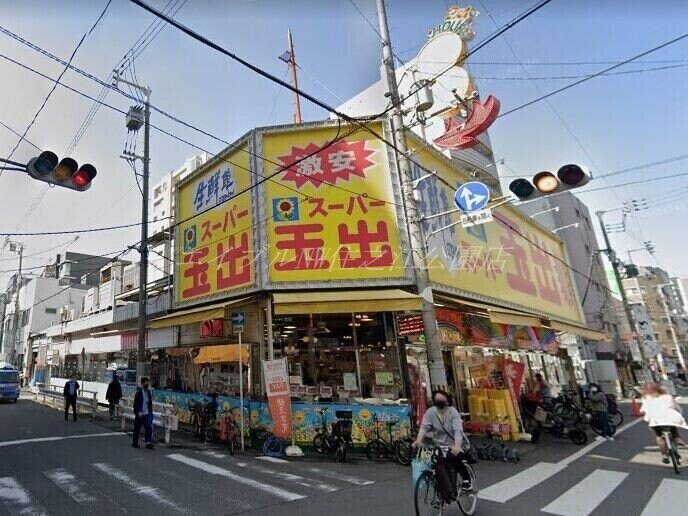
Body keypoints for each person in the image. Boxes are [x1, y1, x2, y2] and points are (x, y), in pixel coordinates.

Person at [412, 390, 471, 499]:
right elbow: (424, 427)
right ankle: (444, 491)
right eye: (437, 399)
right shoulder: (431, 412)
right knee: (437, 464)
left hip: (455, 444)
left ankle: (466, 478)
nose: (440, 401)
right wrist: (418, 440)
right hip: (439, 445)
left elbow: (458, 431)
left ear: (447, 401)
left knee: (454, 457)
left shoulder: (453, 412)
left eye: (442, 399)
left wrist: (457, 446)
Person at [640, 382, 688, 464]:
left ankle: (664, 456)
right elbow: (675, 407)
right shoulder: (667, 396)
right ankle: (678, 439)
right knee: (673, 427)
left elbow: (642, 410)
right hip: (670, 418)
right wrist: (679, 412)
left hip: (656, 421)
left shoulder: (645, 398)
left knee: (659, 437)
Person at [132, 377, 154, 450]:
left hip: (147, 413)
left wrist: (151, 412)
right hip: (140, 413)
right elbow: (136, 403)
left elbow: (150, 403)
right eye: (146, 383)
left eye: (148, 383)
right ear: (142, 384)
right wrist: (138, 411)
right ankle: (135, 442)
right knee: (137, 428)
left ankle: (148, 443)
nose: (147, 384)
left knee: (148, 428)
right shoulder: (138, 393)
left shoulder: (148, 392)